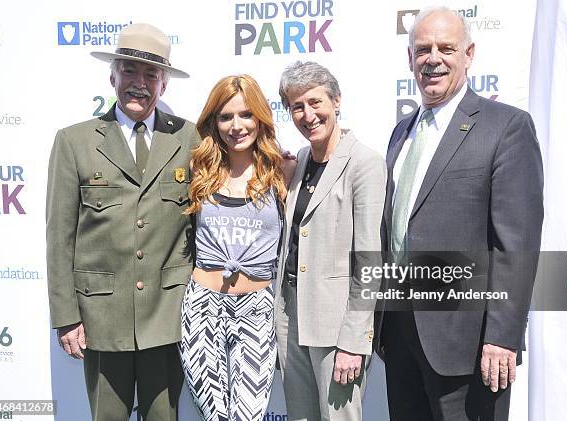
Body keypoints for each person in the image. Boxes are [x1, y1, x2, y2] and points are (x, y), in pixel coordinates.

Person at [378, 6, 543, 421]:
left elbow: (516, 245)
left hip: (468, 346)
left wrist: (502, 337)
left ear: (469, 54)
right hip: (399, 334)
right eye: (422, 49)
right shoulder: (402, 130)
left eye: (446, 48)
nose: (432, 58)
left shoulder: (506, 127)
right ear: (410, 59)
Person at [46, 23, 199, 421]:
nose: (140, 83)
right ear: (112, 75)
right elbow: (59, 237)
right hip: (100, 318)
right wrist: (66, 317)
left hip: (168, 316)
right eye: (129, 71)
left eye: (151, 74)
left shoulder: (189, 139)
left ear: (163, 84)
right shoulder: (74, 141)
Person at [178, 74, 296, 421]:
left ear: (260, 118)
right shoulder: (200, 169)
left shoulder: (283, 170)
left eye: (246, 114)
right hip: (202, 307)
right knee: (214, 415)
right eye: (226, 116)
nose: (236, 125)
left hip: (257, 309)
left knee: (248, 415)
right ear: (214, 122)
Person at [275, 61, 387, 420]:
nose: (307, 115)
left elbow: (370, 261)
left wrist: (354, 341)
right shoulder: (302, 159)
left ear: (336, 101)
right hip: (290, 318)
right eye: (296, 106)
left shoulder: (365, 164)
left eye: (314, 102)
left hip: (337, 327)